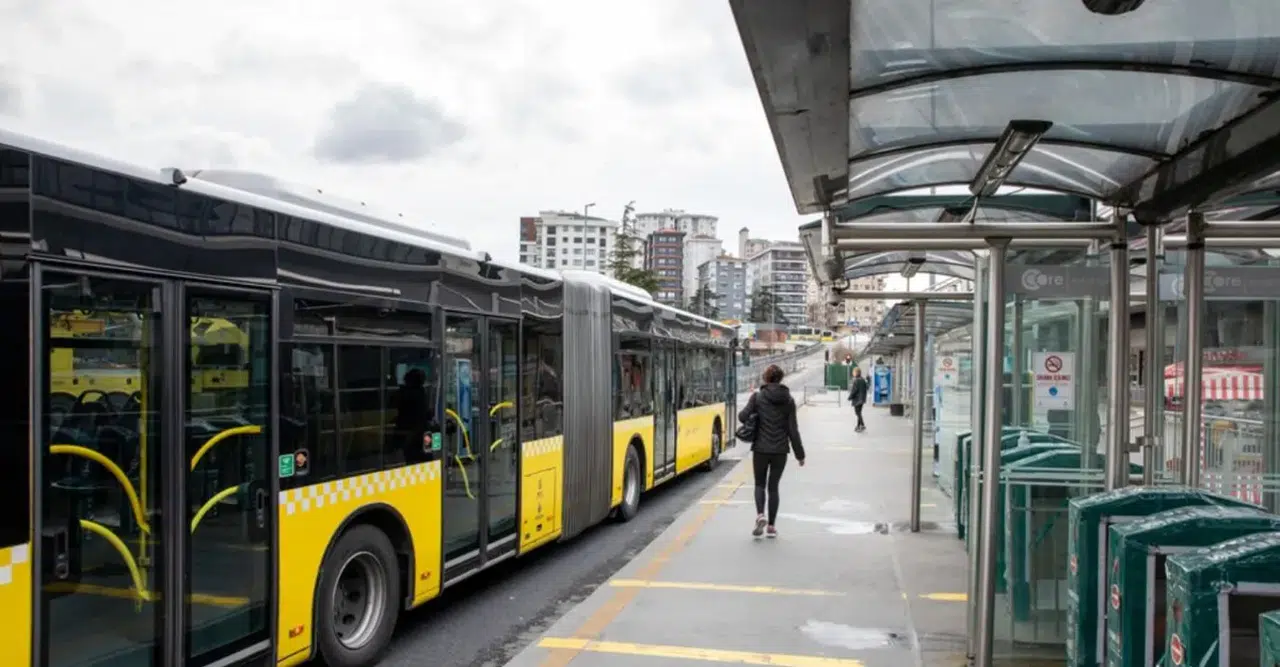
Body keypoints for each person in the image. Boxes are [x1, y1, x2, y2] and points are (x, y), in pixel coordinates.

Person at [738, 363, 805, 538]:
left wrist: (754, 413)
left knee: (759, 483)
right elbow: (793, 429)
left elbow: (742, 417)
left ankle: (760, 515)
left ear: (766, 378)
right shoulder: (788, 400)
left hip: (760, 449)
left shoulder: (757, 397)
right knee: (773, 487)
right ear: (781, 378)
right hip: (780, 451)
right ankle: (772, 526)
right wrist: (800, 455)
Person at [848, 367, 869, 432]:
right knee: (859, 412)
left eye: (853, 372)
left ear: (856, 372)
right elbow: (867, 388)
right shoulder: (863, 379)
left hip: (857, 399)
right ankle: (858, 426)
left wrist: (850, 397)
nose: (853, 373)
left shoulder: (856, 380)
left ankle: (862, 425)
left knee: (857, 413)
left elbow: (854, 390)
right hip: (862, 399)